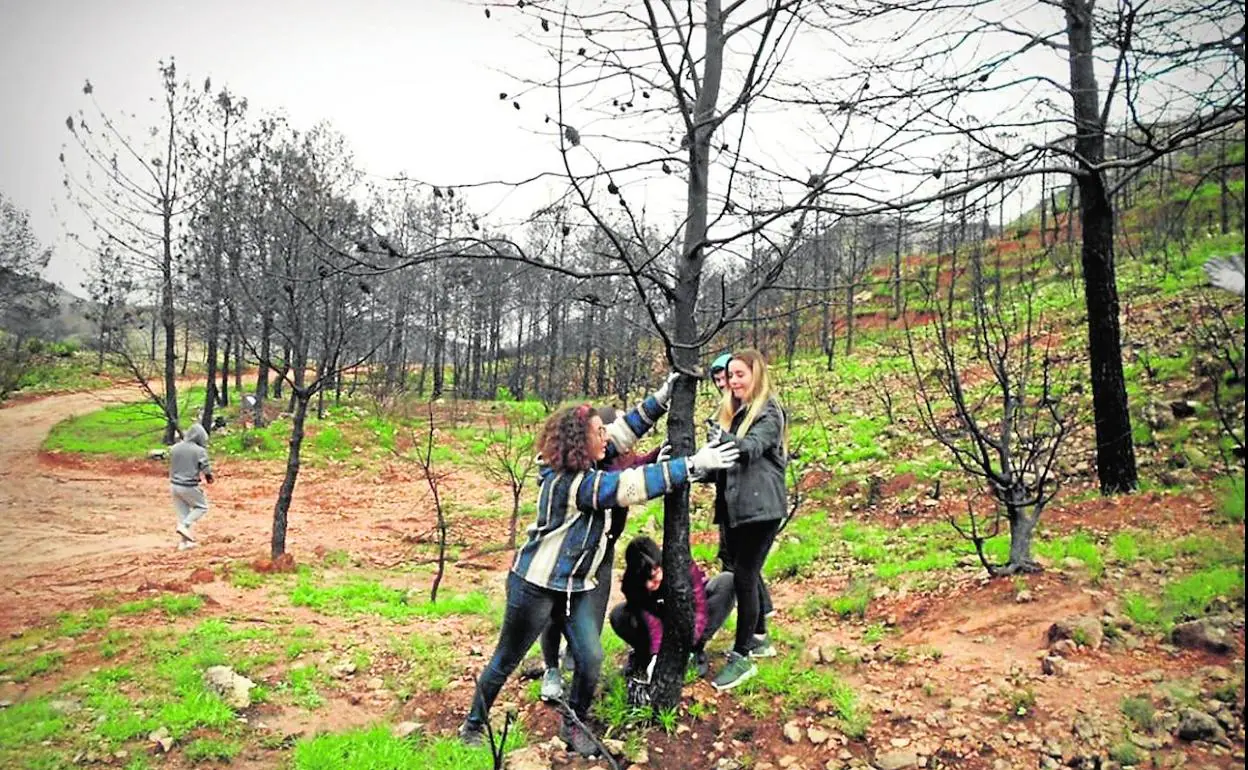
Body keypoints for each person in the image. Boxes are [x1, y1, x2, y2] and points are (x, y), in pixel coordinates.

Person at [459, 376, 740, 756]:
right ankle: (473, 725)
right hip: (535, 585)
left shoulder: (589, 462)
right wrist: (690, 465)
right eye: (597, 432)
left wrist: (661, 398)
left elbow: (623, 433)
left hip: (576, 586)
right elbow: (627, 487)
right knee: (506, 658)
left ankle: (573, 723)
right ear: (580, 442)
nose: (606, 436)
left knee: (591, 659)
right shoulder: (571, 484)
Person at [537, 406, 667, 703]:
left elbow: (638, 465)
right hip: (568, 555)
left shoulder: (618, 459)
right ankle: (551, 669)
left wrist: (663, 454)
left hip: (603, 552)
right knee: (555, 613)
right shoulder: (585, 469)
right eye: (606, 432)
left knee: (592, 614)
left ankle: (579, 665)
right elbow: (626, 480)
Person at [708, 349, 788, 691]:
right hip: (739, 510)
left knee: (744, 577)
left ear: (756, 375)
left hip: (762, 510)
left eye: (741, 374)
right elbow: (728, 464)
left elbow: (751, 448)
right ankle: (758, 638)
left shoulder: (769, 411)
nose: (734, 381)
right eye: (731, 376)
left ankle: (742, 658)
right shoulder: (737, 413)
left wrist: (723, 442)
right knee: (747, 574)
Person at [608, 535, 735, 697]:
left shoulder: (680, 564)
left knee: (726, 581)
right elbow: (648, 620)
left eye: (655, 575)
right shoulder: (633, 586)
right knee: (619, 615)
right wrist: (656, 654)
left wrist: (690, 642)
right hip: (659, 627)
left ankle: (693, 653)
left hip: (689, 620)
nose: (652, 583)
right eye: (647, 579)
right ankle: (644, 657)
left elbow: (700, 606)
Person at [169, 423, 214, 551]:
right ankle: (184, 525)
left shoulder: (175, 448)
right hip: (188, 485)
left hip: (174, 485)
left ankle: (184, 543)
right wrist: (209, 477)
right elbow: (204, 466)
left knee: (183, 513)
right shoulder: (199, 450)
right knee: (201, 507)